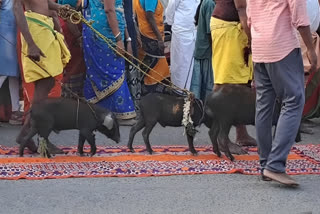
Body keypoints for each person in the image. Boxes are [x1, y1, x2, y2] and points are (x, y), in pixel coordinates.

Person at [247, 0, 317, 186]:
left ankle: (265, 165)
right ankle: (275, 165)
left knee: (264, 104)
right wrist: (311, 49)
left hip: (260, 45)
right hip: (281, 45)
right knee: (294, 100)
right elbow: (300, 17)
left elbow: (249, 16)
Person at [14, 0, 71, 153]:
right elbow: (17, 7)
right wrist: (31, 43)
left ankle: (26, 133)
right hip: (35, 32)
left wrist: (59, 7)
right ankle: (39, 139)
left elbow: (44, 3)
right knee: (44, 86)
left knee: (48, 83)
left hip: (44, 29)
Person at [210, 0, 256, 153]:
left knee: (240, 84)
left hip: (233, 26)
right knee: (226, 85)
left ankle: (241, 134)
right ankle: (222, 139)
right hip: (229, 27)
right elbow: (242, 7)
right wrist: (251, 38)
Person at [82, 0, 136, 125]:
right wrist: (118, 40)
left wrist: (127, 39)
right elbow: (109, 10)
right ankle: (120, 114)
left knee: (112, 71)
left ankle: (102, 113)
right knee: (112, 72)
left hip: (112, 31)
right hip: (104, 34)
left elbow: (119, 10)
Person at [134, 0, 171, 95]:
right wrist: (159, 38)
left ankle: (145, 90)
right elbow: (149, 15)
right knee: (158, 66)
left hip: (144, 33)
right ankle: (153, 92)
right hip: (152, 36)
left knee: (148, 65)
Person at [165, 0, 200, 90]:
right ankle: (178, 90)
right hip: (180, 33)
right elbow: (170, 11)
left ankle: (189, 90)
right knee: (179, 64)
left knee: (191, 65)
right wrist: (174, 24)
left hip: (194, 32)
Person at [0, 0, 23, 125]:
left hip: (16, 31)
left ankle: (15, 111)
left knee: (13, 73)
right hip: (5, 32)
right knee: (4, 72)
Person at [190, 0, 215, 102]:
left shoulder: (206, 2)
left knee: (199, 85)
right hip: (206, 50)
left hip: (201, 49)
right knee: (207, 86)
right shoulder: (210, 3)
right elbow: (210, 32)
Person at [301, 0, 320, 120]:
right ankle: (293, 121)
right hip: (300, 36)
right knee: (299, 83)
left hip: (310, 36)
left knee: (307, 81)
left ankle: (297, 119)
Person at [123, 0, 141, 115]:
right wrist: (128, 39)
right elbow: (121, 16)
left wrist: (137, 33)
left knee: (133, 65)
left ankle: (135, 105)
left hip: (131, 30)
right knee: (127, 65)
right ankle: (127, 106)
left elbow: (131, 16)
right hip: (124, 33)